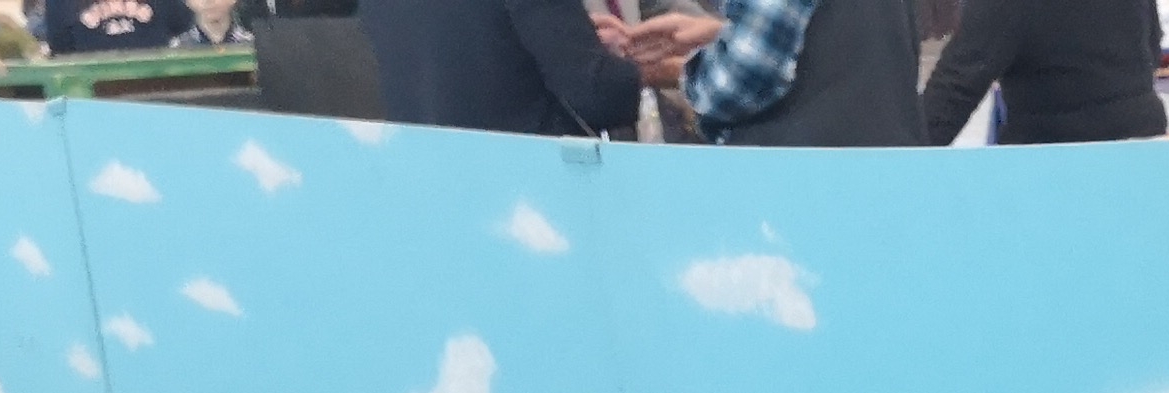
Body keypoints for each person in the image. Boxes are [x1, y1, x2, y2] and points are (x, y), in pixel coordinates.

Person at [607, 0, 927, 147]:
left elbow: (735, 81)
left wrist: (660, 72)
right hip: (882, 167)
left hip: (800, 185)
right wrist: (722, 35)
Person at [368, 0, 644, 135]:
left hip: (422, 177)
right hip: (526, 192)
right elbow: (598, 95)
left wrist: (573, 35)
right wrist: (649, 68)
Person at [916, 0, 1164, 144]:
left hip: (1053, 155)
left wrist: (905, 160)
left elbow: (956, 87)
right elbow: (1152, 45)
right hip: (1141, 142)